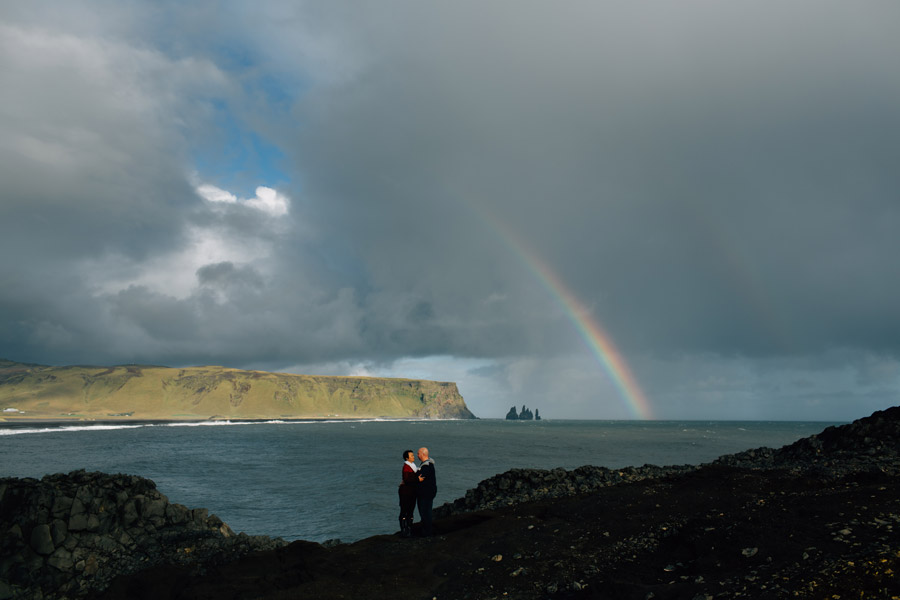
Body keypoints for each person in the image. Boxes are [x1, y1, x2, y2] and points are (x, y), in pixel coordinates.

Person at [415, 447, 437, 536]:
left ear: (423, 454)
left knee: (425, 512)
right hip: (427, 492)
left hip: (426, 493)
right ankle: (426, 530)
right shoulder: (426, 464)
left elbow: (420, 477)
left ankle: (427, 532)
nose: (417, 455)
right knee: (425, 511)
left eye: (418, 453)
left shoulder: (426, 466)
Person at [397, 449, 418, 537]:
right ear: (407, 458)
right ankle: (404, 529)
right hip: (406, 492)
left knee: (410, 510)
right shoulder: (406, 467)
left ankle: (408, 528)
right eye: (412, 456)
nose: (414, 457)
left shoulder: (412, 466)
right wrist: (418, 479)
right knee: (405, 510)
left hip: (411, 492)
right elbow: (407, 479)